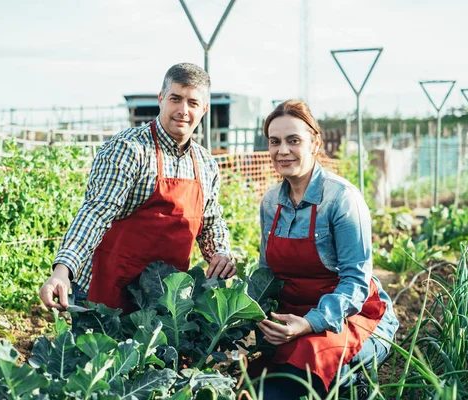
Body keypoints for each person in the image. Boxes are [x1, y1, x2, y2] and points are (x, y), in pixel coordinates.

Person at [39, 63, 236, 314]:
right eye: (175, 98)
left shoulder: (206, 164)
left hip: (164, 299)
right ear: (161, 98)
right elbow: (96, 213)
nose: (183, 110)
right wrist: (62, 271)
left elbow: (210, 221)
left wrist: (219, 253)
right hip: (110, 291)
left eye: (193, 103)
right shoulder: (129, 149)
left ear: (204, 109)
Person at [255, 100, 398, 398]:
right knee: (255, 379)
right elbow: (265, 275)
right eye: (275, 141)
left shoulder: (342, 199)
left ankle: (352, 376)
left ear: (315, 142)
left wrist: (309, 323)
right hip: (293, 319)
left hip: (353, 318)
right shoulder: (270, 203)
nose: (282, 150)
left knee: (288, 385)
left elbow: (356, 283)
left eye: (293, 140)